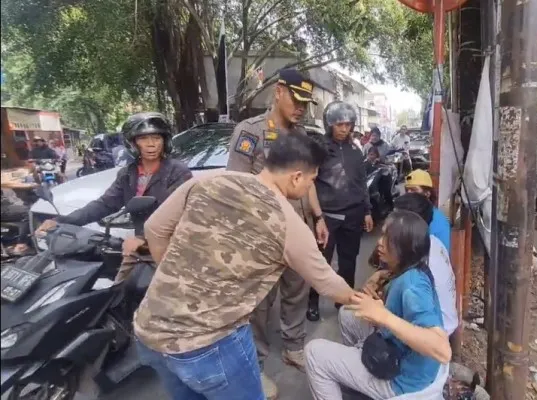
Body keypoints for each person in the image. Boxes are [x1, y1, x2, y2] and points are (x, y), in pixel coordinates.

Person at [133, 133, 355, 400]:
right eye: (311, 179)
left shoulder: (209, 180)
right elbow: (328, 284)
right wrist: (360, 299)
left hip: (151, 330)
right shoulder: (288, 224)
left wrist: (179, 282)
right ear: (296, 177)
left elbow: (154, 229)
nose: (310, 186)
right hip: (208, 345)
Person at [226, 68, 327, 397]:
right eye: (296, 99)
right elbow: (237, 186)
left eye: (305, 102)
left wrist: (319, 217)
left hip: (298, 229)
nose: (301, 107)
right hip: (263, 234)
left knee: (297, 290)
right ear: (279, 91)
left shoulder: (302, 137)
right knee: (259, 301)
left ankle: (293, 345)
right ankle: (254, 364)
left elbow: (307, 180)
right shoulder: (250, 131)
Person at [304, 210, 452, 400]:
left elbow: (442, 350)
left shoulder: (412, 287)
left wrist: (383, 316)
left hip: (403, 380)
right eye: (382, 234)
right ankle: (357, 387)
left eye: (388, 238)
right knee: (348, 314)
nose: (380, 242)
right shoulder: (410, 268)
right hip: (404, 358)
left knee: (314, 354)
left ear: (404, 247)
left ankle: (364, 383)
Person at [36, 112, 192, 281]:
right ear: (132, 143)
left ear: (164, 140)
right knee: (119, 293)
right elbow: (104, 204)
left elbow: (179, 215)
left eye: (156, 138)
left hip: (170, 248)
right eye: (143, 139)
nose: (151, 144)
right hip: (139, 249)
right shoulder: (128, 174)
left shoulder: (177, 172)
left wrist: (142, 239)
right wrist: (61, 221)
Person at [306, 101, 373, 322]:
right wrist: (318, 217)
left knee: (348, 261)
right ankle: (313, 302)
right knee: (321, 262)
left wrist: (367, 211)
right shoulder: (320, 148)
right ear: (330, 124)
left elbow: (362, 183)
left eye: (348, 124)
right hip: (329, 218)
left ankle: (343, 300)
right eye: (339, 124)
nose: (344, 129)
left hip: (353, 216)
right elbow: (310, 182)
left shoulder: (355, 149)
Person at [392, 193, 458, 335]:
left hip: (436, 332)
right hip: (446, 321)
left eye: (394, 221)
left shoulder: (418, 260)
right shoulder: (433, 240)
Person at [404, 169, 451, 251]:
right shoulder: (405, 215)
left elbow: (441, 255)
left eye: (414, 190)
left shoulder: (438, 221)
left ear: (427, 193)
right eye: (407, 190)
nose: (409, 194)